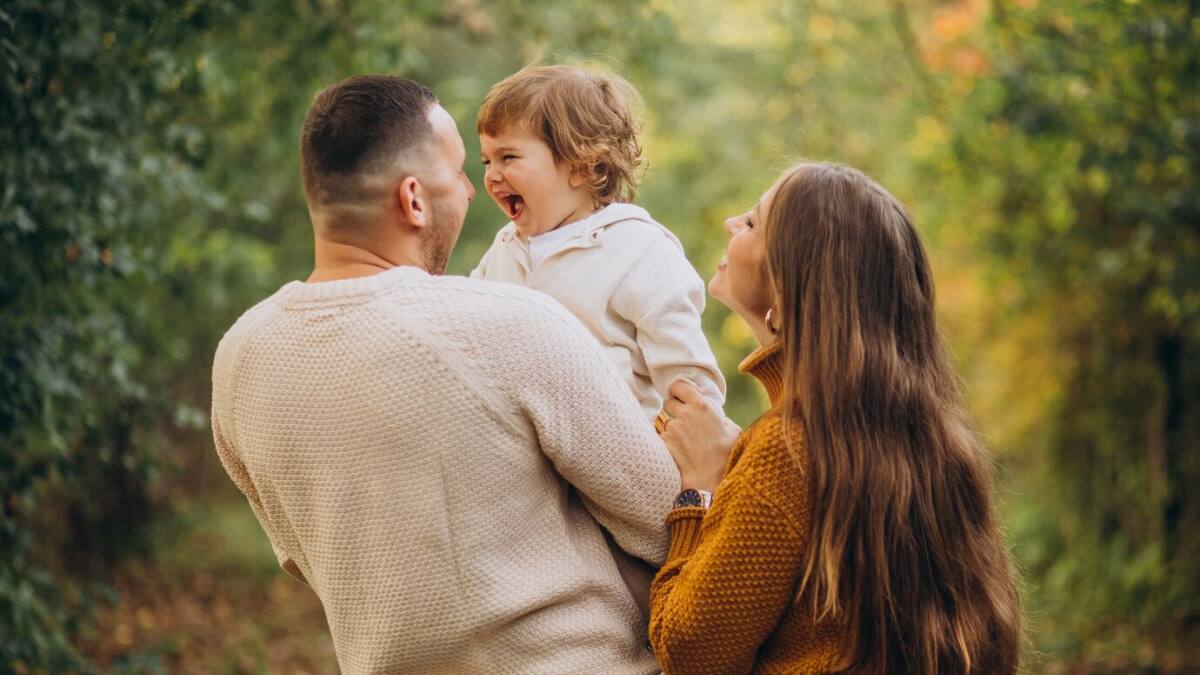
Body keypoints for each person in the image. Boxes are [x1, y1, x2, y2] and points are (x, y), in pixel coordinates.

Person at [210, 75, 680, 674]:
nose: (471, 190)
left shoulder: (240, 357)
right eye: (461, 172)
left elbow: (304, 556)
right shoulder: (512, 324)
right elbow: (665, 522)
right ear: (413, 199)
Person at [648, 162, 1022, 674]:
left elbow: (690, 652)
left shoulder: (786, 452)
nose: (732, 223)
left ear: (787, 285)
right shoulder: (931, 446)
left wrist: (701, 490)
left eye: (754, 223)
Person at [471, 64, 725, 421]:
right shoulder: (504, 247)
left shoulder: (638, 249)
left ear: (581, 166)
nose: (492, 175)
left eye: (508, 157)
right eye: (486, 160)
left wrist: (696, 451)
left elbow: (690, 380)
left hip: (618, 454)